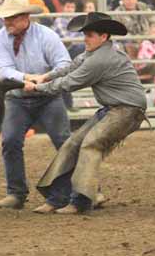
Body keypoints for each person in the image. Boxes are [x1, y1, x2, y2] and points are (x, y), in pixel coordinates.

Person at [24, 12, 147, 214]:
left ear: (103, 36)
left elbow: (70, 82)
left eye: (89, 34)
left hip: (128, 110)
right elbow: (71, 67)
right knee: (72, 144)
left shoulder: (99, 60)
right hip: (115, 109)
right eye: (86, 34)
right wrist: (45, 76)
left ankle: (81, 201)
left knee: (90, 144)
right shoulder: (93, 54)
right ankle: (58, 198)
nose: (85, 38)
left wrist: (38, 88)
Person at [0, 0, 71, 209]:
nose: (7, 22)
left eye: (12, 18)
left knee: (64, 142)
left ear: (26, 17)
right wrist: (25, 78)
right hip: (17, 97)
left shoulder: (46, 35)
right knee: (10, 142)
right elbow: (4, 70)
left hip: (48, 95)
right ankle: (16, 192)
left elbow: (64, 63)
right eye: (5, 18)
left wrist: (43, 79)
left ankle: (87, 189)